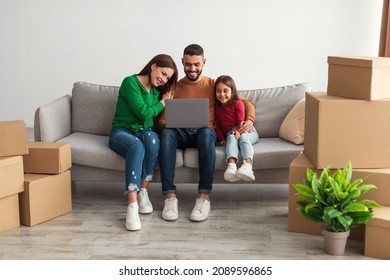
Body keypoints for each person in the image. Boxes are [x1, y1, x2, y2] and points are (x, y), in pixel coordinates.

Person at [155, 44, 256, 222]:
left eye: (196, 64)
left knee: (206, 133)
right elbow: (161, 119)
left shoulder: (213, 84)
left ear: (203, 62)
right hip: (180, 132)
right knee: (167, 134)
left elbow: (244, 102)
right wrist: (168, 123)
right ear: (182, 63)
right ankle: (170, 197)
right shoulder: (174, 87)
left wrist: (249, 120)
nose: (192, 69)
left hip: (204, 132)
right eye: (188, 64)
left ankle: (203, 198)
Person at [109, 54, 178, 231]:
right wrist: (163, 103)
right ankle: (132, 205)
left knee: (153, 139)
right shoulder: (130, 82)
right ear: (153, 66)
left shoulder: (156, 91)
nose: (163, 79)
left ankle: (143, 190)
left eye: (167, 78)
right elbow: (144, 114)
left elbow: (149, 121)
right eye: (162, 73)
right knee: (137, 145)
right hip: (122, 132)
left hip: (143, 133)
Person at [214, 75, 259, 182]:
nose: (222, 94)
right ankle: (231, 167)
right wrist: (221, 139)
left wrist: (238, 131)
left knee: (243, 137)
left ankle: (248, 166)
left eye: (226, 91)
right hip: (232, 133)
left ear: (232, 91)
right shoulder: (217, 107)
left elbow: (240, 121)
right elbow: (217, 125)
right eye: (218, 91)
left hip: (246, 130)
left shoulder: (238, 104)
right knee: (230, 138)